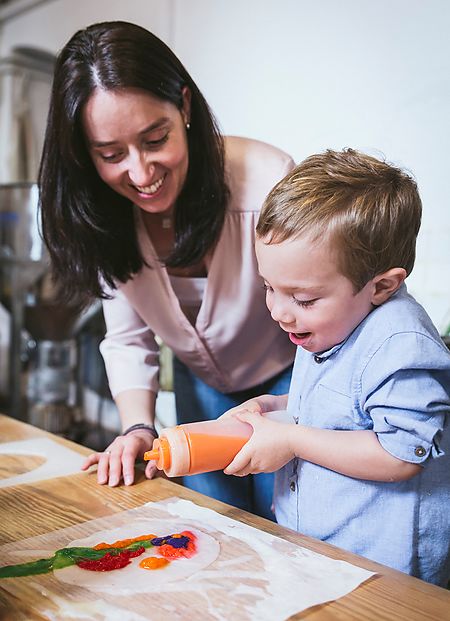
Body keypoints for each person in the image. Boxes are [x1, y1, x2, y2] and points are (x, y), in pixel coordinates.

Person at [38, 20, 295, 519]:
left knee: (288, 527)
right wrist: (137, 426)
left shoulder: (266, 182)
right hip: (200, 389)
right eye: (111, 155)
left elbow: (321, 306)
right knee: (215, 526)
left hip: (290, 383)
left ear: (185, 106)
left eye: (155, 140)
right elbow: (129, 337)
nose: (140, 173)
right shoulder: (104, 216)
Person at [223, 148, 450, 585]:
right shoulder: (330, 321)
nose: (279, 312)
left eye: (303, 298)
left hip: (386, 573)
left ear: (381, 286)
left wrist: (291, 439)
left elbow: (401, 453)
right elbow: (345, 405)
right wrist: (276, 407)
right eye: (270, 287)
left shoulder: (401, 345)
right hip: (326, 554)